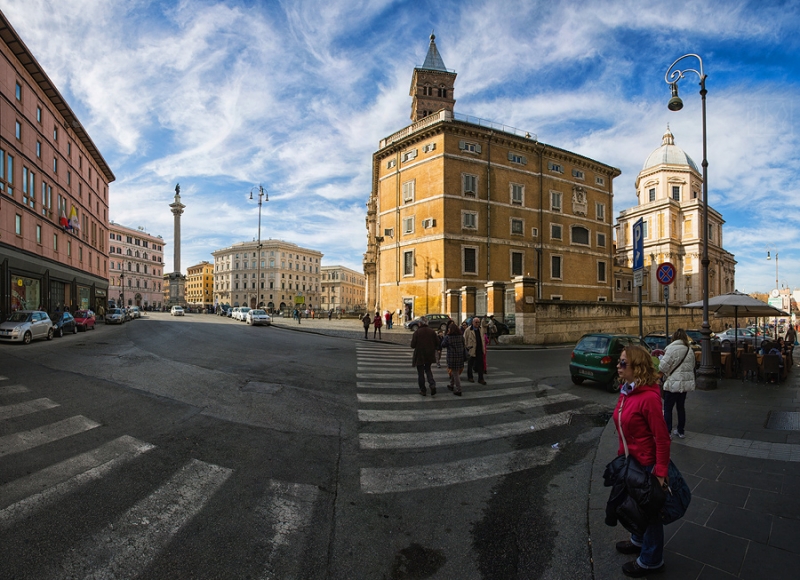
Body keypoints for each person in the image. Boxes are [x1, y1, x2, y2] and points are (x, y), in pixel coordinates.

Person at [612, 345, 671, 577]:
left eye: (623, 363)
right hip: (631, 462)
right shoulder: (627, 391)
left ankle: (651, 560)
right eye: (619, 361)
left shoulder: (648, 398)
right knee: (636, 507)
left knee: (650, 513)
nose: (618, 366)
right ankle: (638, 540)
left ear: (637, 368)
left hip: (647, 465)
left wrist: (660, 472)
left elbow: (663, 438)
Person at [659, 329, 696, 440]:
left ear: (674, 337)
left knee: (668, 407)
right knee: (681, 407)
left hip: (672, 383)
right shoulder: (689, 350)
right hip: (684, 384)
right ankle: (681, 431)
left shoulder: (670, 349)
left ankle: (668, 432)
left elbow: (662, 367)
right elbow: (693, 365)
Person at [411, 317, 438, 396]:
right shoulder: (432, 332)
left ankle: (423, 390)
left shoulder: (417, 332)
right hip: (429, 354)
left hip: (419, 355)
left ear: (420, 323)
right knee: (428, 370)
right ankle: (432, 385)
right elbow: (437, 342)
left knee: (421, 373)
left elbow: (412, 345)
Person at [440, 322, 466, 395]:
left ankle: (459, 389)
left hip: (452, 357)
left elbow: (442, 345)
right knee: (454, 372)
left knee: (455, 373)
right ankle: (451, 385)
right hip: (460, 356)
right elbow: (464, 344)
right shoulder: (461, 336)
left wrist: (445, 337)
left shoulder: (448, 337)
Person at [465, 317, 487, 385]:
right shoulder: (468, 330)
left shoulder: (481, 329)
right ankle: (470, 377)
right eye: (476, 322)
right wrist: (467, 348)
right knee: (470, 364)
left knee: (480, 365)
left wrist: (483, 348)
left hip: (479, 349)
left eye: (478, 322)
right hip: (471, 349)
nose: (477, 324)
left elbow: (483, 338)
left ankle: (481, 378)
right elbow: (465, 339)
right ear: (472, 322)